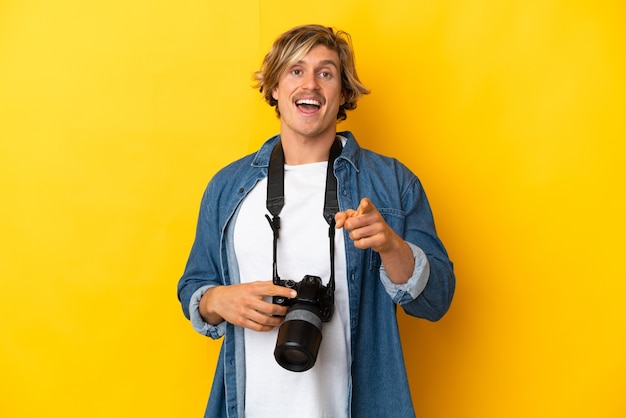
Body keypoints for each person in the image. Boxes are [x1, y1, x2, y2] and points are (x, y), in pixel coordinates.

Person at [177, 24, 455, 418]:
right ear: (274, 87)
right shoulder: (228, 187)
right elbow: (194, 284)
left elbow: (437, 301)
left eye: (326, 73)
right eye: (295, 71)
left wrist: (392, 246)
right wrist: (217, 299)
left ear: (342, 92)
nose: (310, 84)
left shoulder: (391, 184)